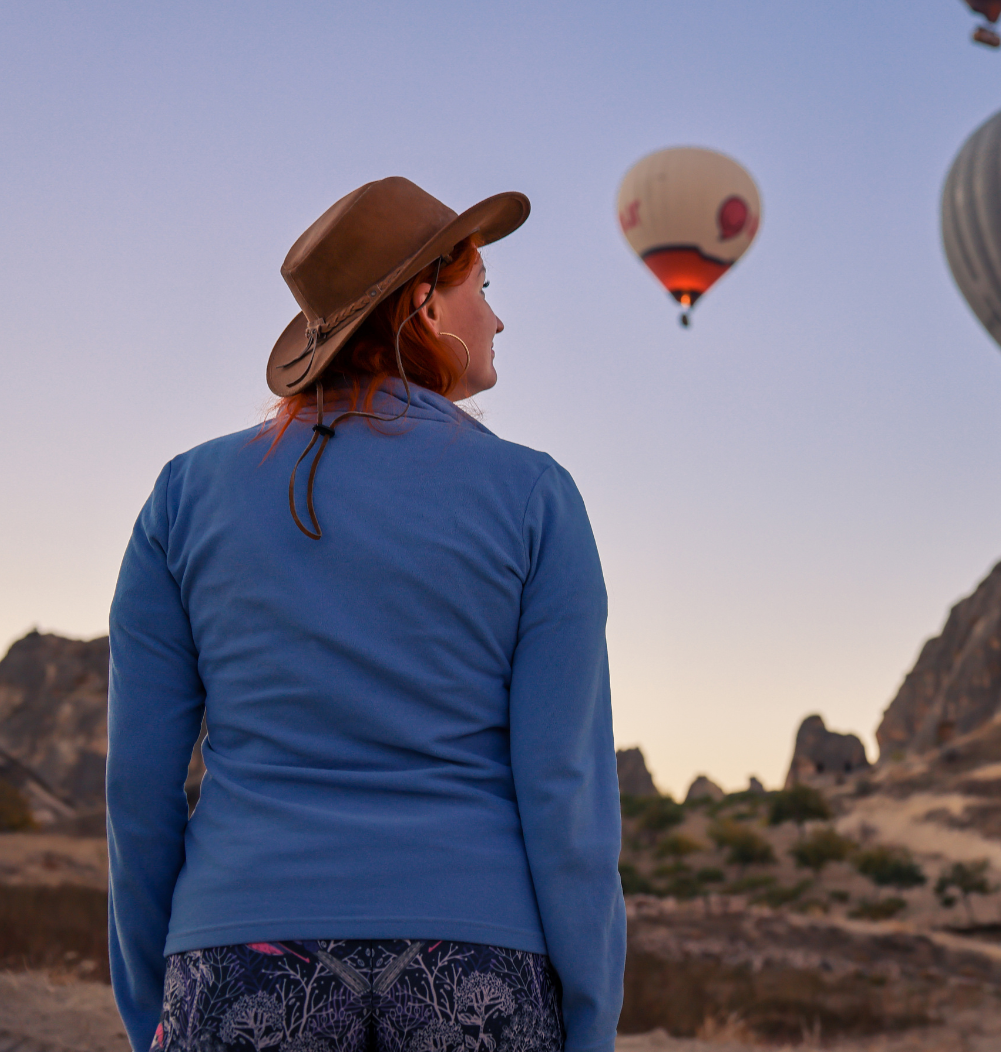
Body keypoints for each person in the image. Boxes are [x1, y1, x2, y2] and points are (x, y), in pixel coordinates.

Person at [106, 177, 623, 1052]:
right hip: (478, 963)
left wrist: (152, 1003)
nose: (497, 319)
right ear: (423, 299)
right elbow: (565, 794)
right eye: (482, 288)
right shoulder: (537, 496)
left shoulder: (184, 495)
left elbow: (138, 792)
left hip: (238, 957)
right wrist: (589, 1020)